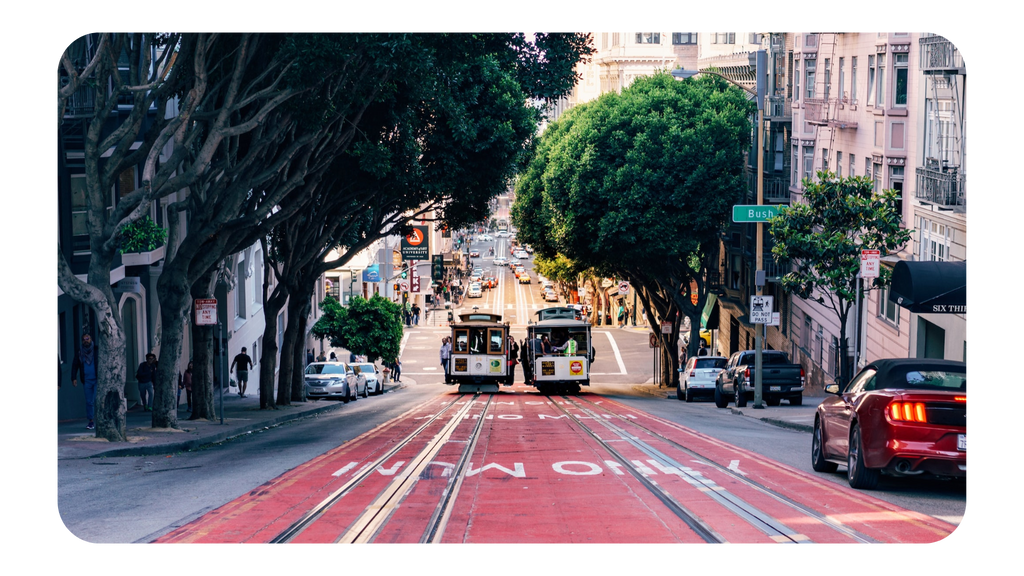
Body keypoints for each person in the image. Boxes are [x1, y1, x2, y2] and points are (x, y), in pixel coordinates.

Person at [71, 334, 98, 430]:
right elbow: (75, 365)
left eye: (87, 338)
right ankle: (91, 421)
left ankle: (101, 420)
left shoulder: (97, 350)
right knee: (89, 401)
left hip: (97, 380)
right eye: (83, 339)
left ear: (91, 339)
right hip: (86, 380)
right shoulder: (80, 352)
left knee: (98, 400)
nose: (85, 340)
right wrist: (73, 378)